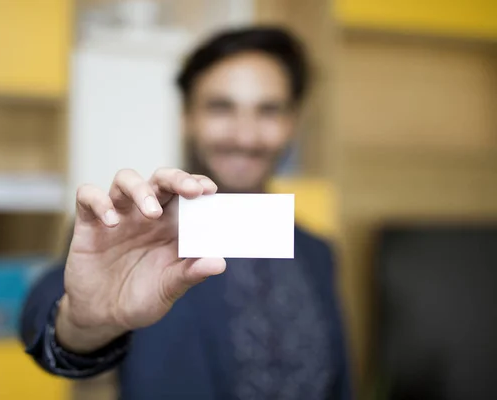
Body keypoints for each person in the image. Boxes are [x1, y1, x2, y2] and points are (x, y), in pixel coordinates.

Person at [20, 26, 351, 400]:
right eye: (221, 108)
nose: (245, 136)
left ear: (292, 124)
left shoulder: (318, 253)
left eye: (269, 110)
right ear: (186, 117)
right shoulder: (129, 234)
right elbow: (45, 316)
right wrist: (82, 324)